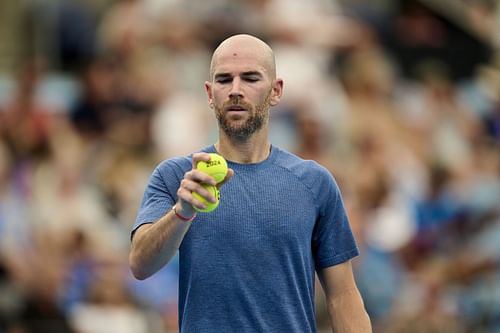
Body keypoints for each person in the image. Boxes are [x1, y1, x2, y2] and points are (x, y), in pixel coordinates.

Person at [129, 34, 372, 332]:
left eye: (250, 78)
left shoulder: (315, 182)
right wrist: (183, 211)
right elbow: (140, 265)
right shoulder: (177, 176)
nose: (235, 90)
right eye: (223, 80)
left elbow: (343, 296)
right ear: (209, 93)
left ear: (276, 91)